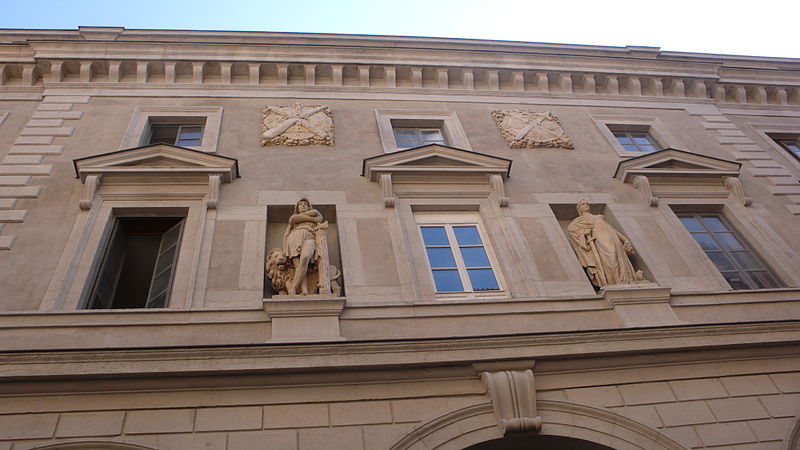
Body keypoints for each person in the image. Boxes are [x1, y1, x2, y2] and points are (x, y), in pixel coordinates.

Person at [567, 199, 641, 288]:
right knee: (611, 257)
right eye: (583, 204)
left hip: (612, 236)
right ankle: (613, 280)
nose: (586, 205)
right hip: (600, 238)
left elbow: (612, 229)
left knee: (618, 256)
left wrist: (625, 240)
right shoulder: (578, 221)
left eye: (587, 203)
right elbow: (571, 229)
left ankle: (624, 279)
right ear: (579, 209)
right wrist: (584, 232)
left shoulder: (598, 217)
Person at [283, 198, 323, 295]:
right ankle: (304, 290)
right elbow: (292, 220)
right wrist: (313, 219)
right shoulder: (295, 218)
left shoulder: (314, 212)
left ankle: (294, 287)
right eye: (300, 204)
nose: (303, 205)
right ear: (297, 208)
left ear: (309, 207)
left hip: (309, 236)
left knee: (305, 258)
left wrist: (300, 217)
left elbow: (317, 214)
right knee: (298, 266)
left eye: (305, 204)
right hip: (294, 238)